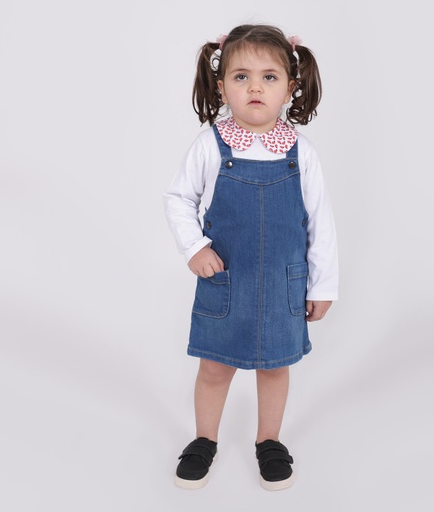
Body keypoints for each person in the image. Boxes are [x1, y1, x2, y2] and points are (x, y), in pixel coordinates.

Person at [163, 24, 338, 491]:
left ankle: (269, 441)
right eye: (241, 77)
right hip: (227, 281)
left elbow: (320, 223)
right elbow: (179, 199)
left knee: (275, 367)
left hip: (283, 284)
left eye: (269, 77)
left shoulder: (302, 153)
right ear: (222, 87)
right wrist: (195, 247)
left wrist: (323, 285)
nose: (255, 87)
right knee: (214, 367)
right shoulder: (210, 145)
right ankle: (204, 439)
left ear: (290, 86)